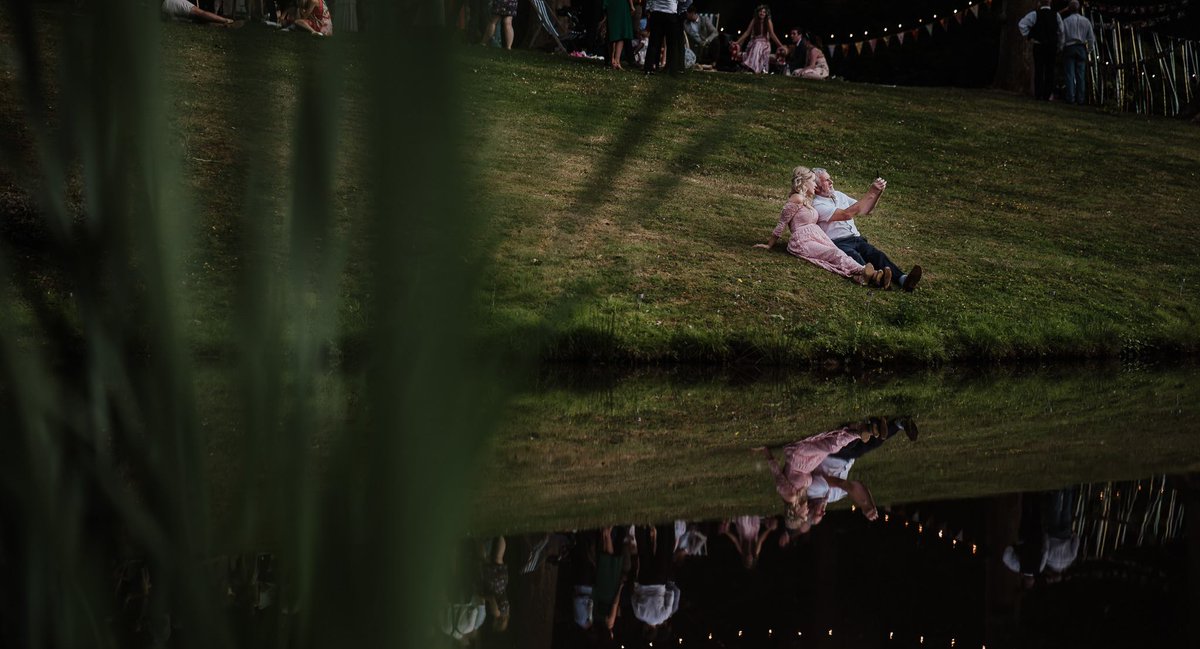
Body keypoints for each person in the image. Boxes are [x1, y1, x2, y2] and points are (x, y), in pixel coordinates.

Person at [753, 166, 887, 288]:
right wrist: (769, 245)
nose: (815, 185)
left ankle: (862, 276)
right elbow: (782, 223)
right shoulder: (796, 199)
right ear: (804, 182)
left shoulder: (807, 200)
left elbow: (864, 210)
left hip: (816, 235)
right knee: (834, 254)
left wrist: (877, 193)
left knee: (838, 253)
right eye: (812, 181)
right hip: (802, 239)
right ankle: (870, 273)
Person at [811, 167, 924, 291]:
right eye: (826, 180)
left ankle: (903, 279)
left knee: (877, 255)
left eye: (830, 178)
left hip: (856, 238)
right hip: (838, 242)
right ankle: (878, 280)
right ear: (816, 187)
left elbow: (864, 209)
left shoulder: (839, 195)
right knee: (856, 258)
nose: (831, 181)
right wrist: (871, 192)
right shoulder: (817, 205)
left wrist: (877, 193)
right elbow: (846, 214)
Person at [753, 426, 870, 531]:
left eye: (803, 515)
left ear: (795, 512)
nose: (807, 512)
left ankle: (858, 433)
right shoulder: (801, 497)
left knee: (830, 447)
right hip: (811, 463)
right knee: (830, 447)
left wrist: (765, 450)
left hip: (798, 458)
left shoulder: (790, 495)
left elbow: (777, 473)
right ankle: (859, 431)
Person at [1018, 0, 1064, 101]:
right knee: (1050, 70)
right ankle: (1047, 94)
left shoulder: (1035, 14)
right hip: (1051, 46)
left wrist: (1030, 35)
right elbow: (1061, 31)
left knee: (1039, 69)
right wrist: (1060, 45)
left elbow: (1022, 24)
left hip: (1039, 44)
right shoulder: (1056, 15)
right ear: (1050, 2)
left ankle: (1038, 93)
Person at [1060, 0, 1096, 105]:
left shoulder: (1065, 21)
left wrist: (1061, 47)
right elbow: (1091, 38)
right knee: (1081, 74)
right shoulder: (1086, 21)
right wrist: (1089, 50)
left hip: (1069, 47)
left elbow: (1062, 36)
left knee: (1069, 74)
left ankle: (1070, 97)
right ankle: (1080, 98)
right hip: (1081, 47)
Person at [735, 5, 784, 74]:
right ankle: (753, 68)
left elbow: (772, 34)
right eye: (760, 11)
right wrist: (737, 42)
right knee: (757, 44)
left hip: (765, 44)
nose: (762, 13)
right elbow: (747, 32)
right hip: (754, 42)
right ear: (757, 12)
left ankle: (753, 69)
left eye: (764, 12)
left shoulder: (768, 21)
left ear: (766, 14)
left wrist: (780, 45)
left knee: (758, 45)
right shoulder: (754, 20)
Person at [643, 0, 684, 74]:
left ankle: (649, 67)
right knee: (672, 44)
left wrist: (648, 9)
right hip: (670, 13)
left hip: (656, 12)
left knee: (653, 42)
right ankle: (672, 69)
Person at [605, 0, 635, 69]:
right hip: (622, 4)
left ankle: (612, 60)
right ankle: (617, 61)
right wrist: (632, 6)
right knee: (621, 32)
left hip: (611, 3)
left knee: (612, 31)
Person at [160, 0, 240, 25]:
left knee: (193, 20)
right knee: (199, 13)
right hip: (169, 2)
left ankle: (220, 23)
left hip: (163, 8)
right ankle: (226, 21)